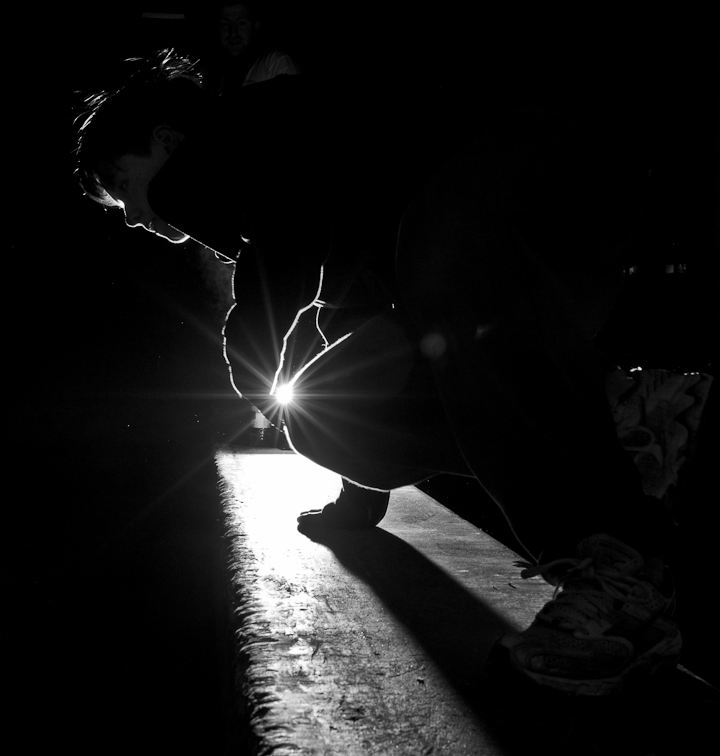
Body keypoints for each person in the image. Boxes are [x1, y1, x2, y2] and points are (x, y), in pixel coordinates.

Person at [74, 50, 681, 697]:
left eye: (124, 188)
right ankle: (616, 425)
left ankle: (624, 568)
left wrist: (272, 345)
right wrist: (354, 478)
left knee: (437, 246)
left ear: (166, 141)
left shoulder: (249, 135)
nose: (134, 216)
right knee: (323, 417)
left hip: (558, 171)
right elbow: (309, 280)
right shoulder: (272, 211)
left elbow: (296, 247)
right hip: (496, 276)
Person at [196, 0, 300, 101]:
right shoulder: (205, 72)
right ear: (216, 28)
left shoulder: (276, 64)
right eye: (225, 24)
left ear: (255, 27)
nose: (233, 33)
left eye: (241, 23)